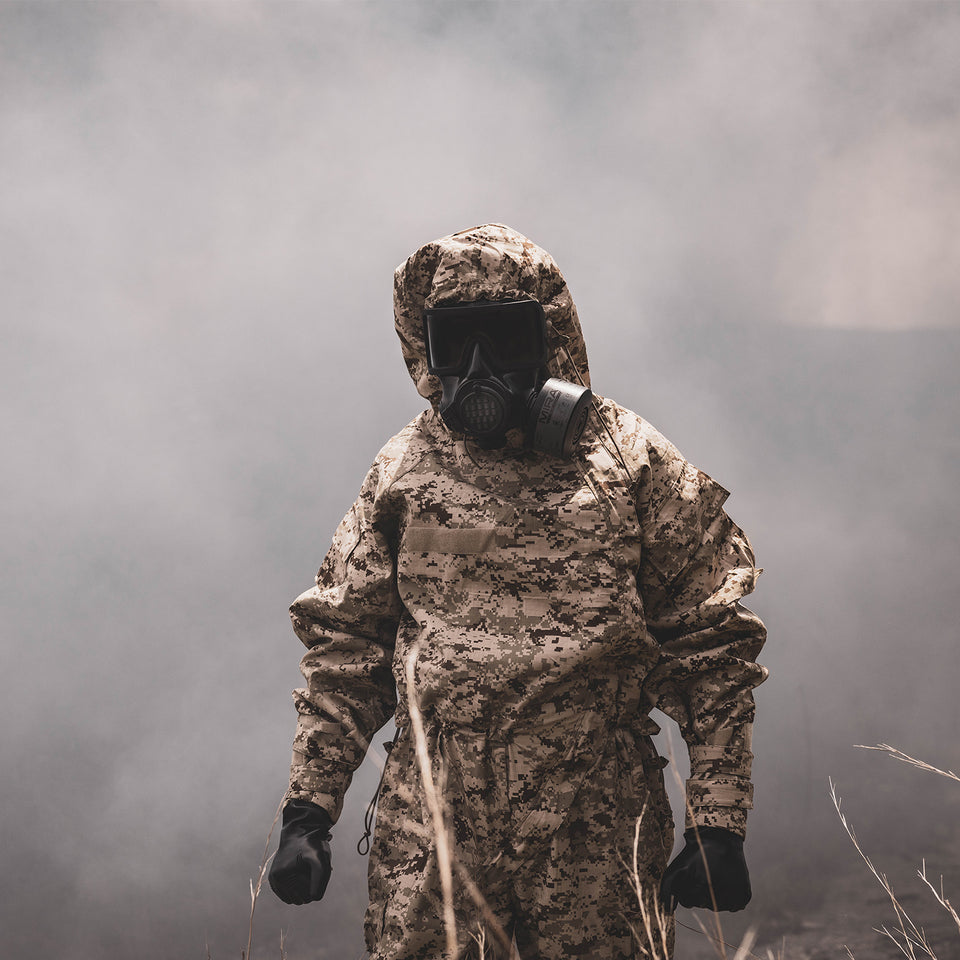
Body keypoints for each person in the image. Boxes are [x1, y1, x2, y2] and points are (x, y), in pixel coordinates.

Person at [268, 224, 767, 959]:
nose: (478, 369)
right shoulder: (405, 473)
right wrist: (307, 815)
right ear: (424, 350)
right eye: (455, 344)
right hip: (433, 832)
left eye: (502, 338)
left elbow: (711, 643)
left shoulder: (627, 462)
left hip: (595, 826)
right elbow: (348, 649)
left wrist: (716, 826)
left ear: (550, 339)